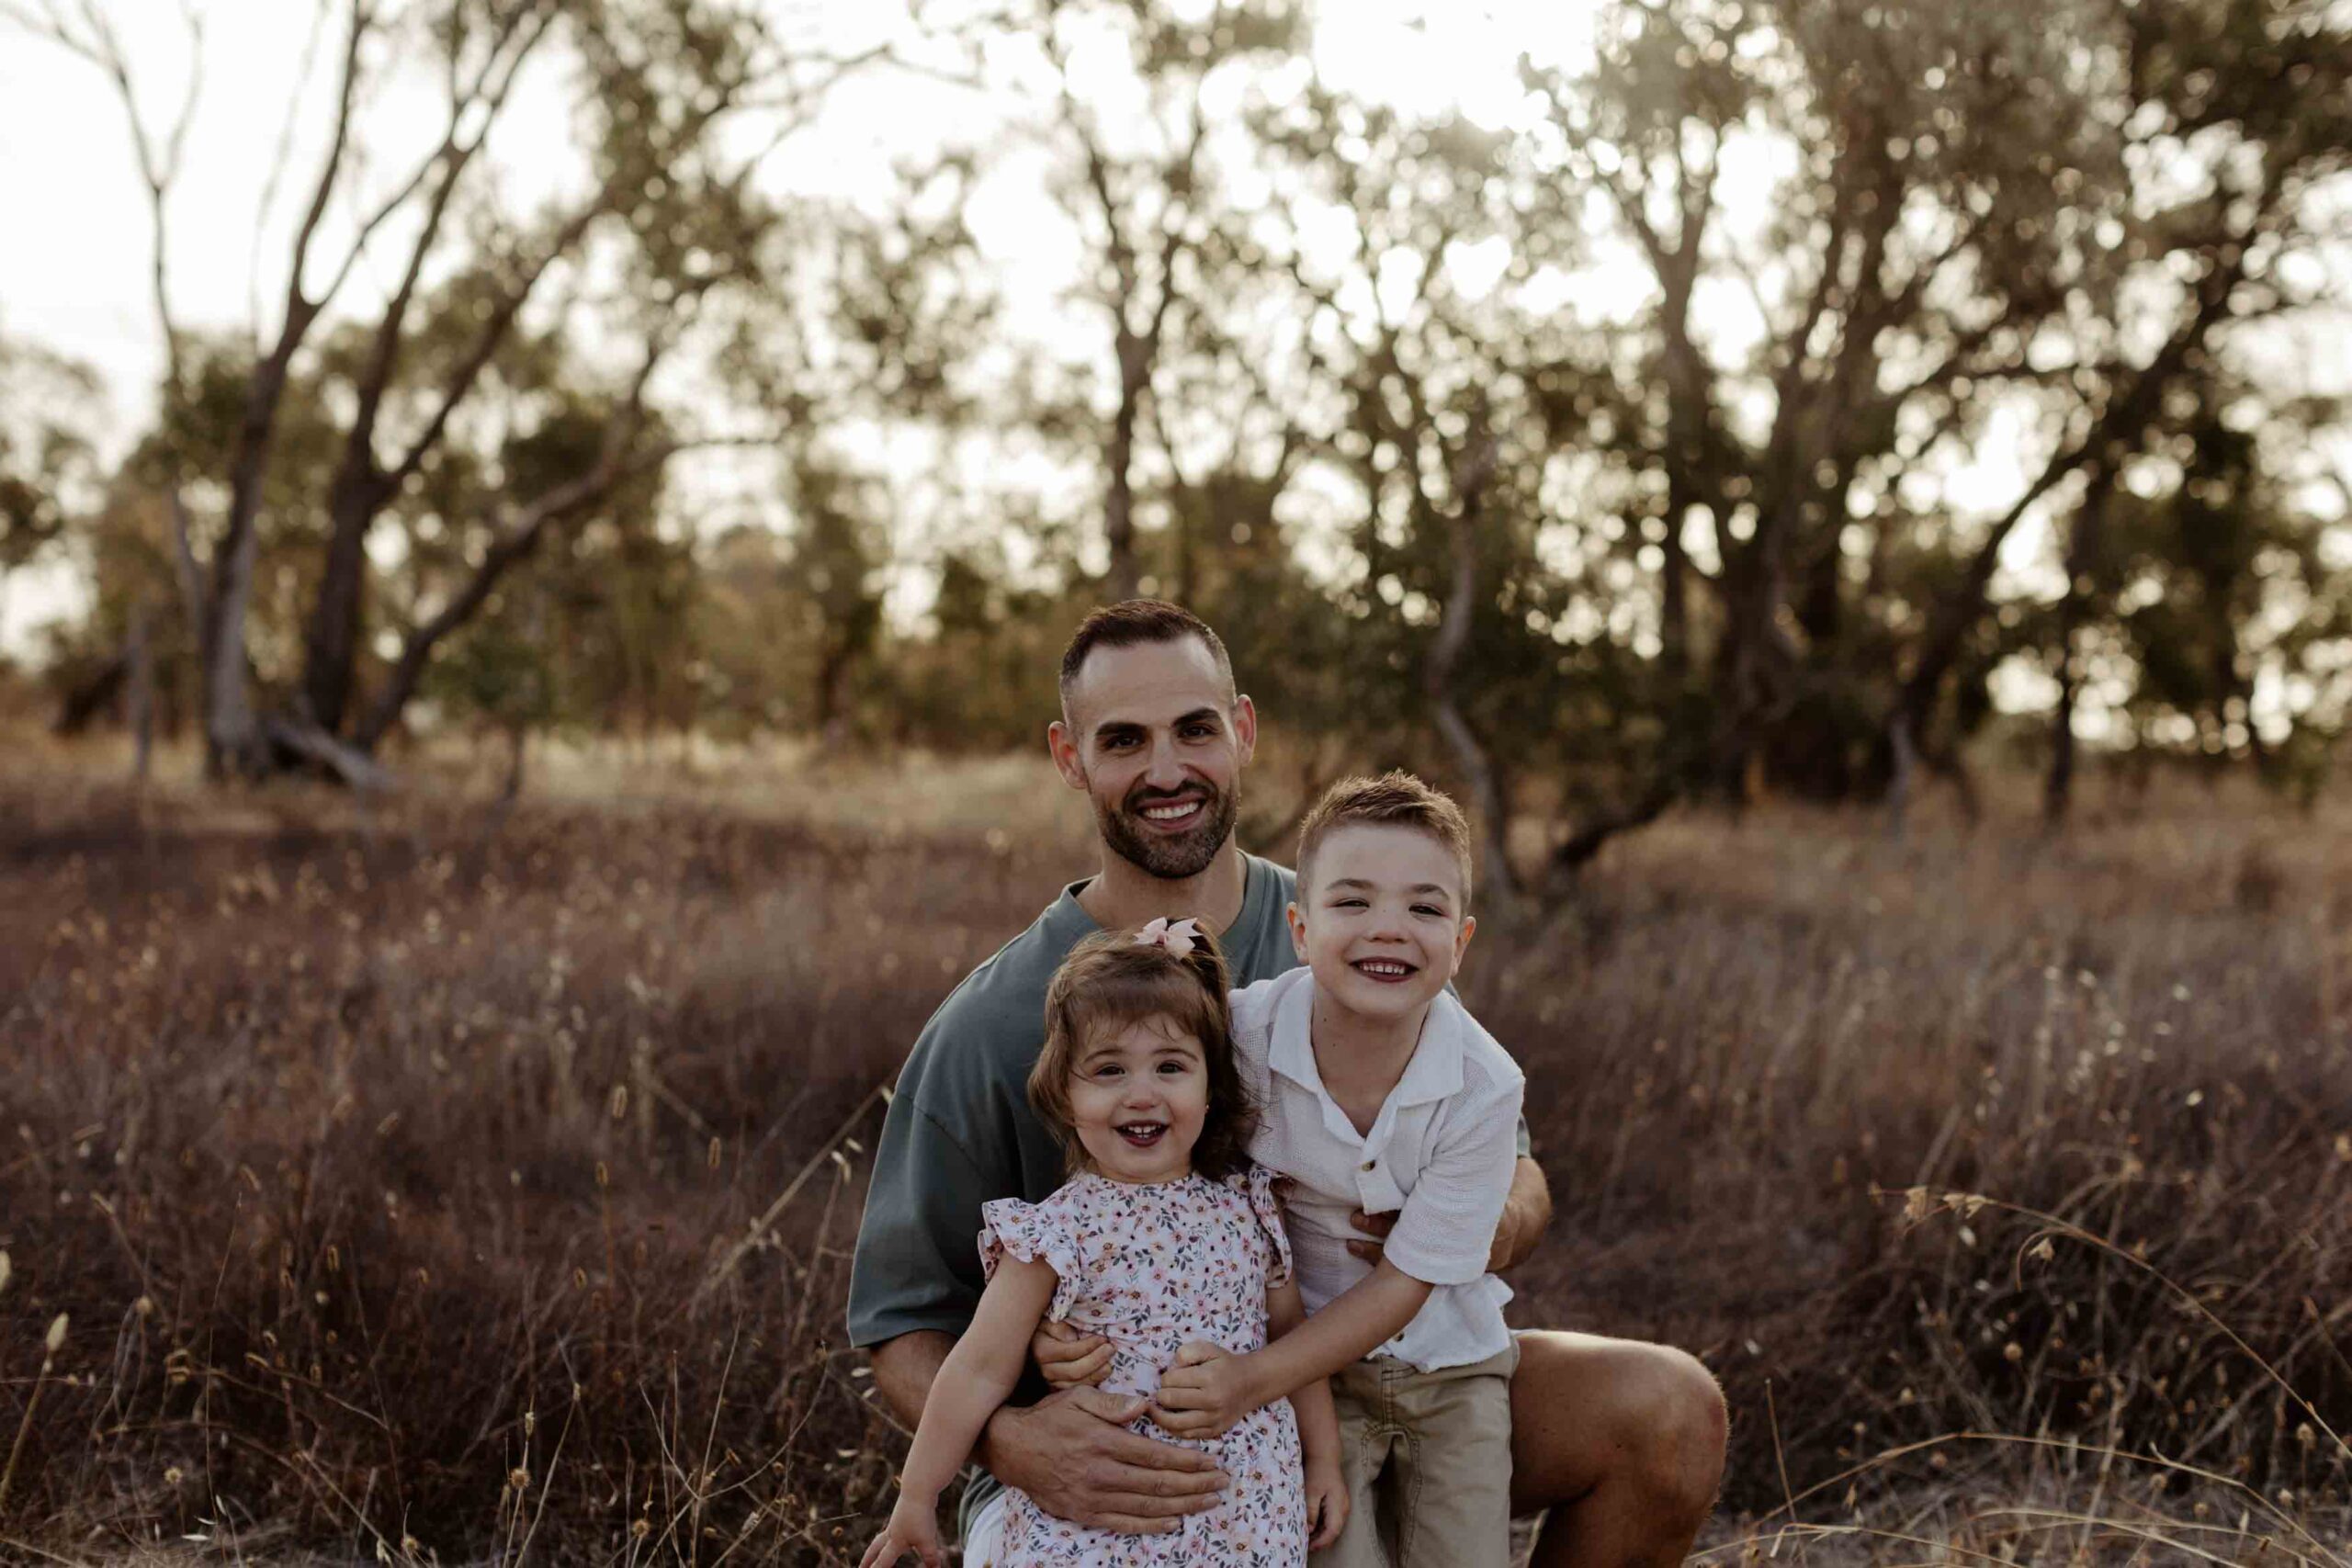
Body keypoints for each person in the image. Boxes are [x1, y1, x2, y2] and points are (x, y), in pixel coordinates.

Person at [847, 600, 1728, 1567]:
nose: (1167, 770)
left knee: (1666, 1409)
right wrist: (1012, 1443)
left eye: (1194, 729)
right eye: (1124, 741)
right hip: (1133, 1445)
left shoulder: (1355, 919)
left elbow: (1511, 1167)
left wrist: (1463, 1228)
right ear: (1069, 758)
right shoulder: (997, 1020)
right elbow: (902, 1324)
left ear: (1244, 731)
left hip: (1392, 1372)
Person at [860, 919, 1349, 1567]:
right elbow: (975, 1369)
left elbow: (1290, 1339)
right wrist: (918, 1493)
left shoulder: (1247, 1203)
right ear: (1066, 1094)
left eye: (1171, 1066)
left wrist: (1324, 1459)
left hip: (1241, 1514)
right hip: (1098, 1525)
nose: (1140, 1092)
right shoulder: (1056, 1233)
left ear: (1209, 1090)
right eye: (1109, 1069)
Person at [1138, 773, 1526, 1566]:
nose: (1390, 929)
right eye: (1353, 902)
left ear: (1461, 942)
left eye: (1424, 908)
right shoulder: (1241, 1040)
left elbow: (1408, 1280)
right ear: (1302, 929)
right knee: (1329, 1550)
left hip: (1452, 1366)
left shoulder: (1486, 1084)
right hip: (1308, 1378)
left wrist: (1251, 1380)